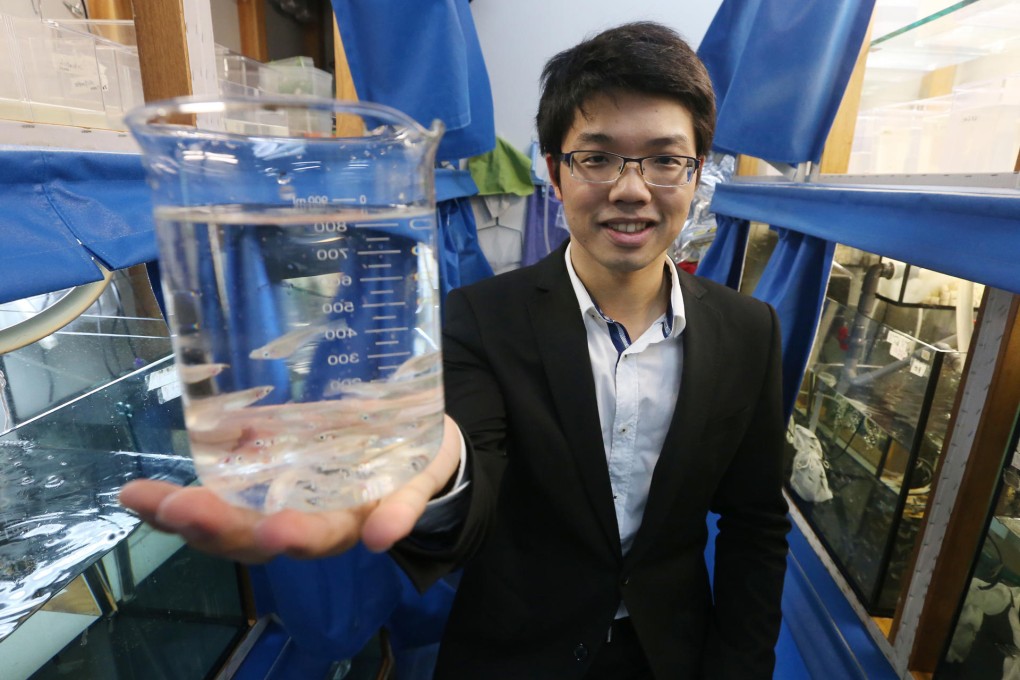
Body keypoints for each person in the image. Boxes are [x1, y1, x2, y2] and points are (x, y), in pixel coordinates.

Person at [121, 21, 790, 679]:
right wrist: (437, 471)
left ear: (696, 172)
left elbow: (754, 522)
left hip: (671, 653)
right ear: (555, 173)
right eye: (598, 156)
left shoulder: (749, 331)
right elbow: (472, 492)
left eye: (665, 159)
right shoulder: (480, 317)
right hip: (514, 655)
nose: (631, 188)